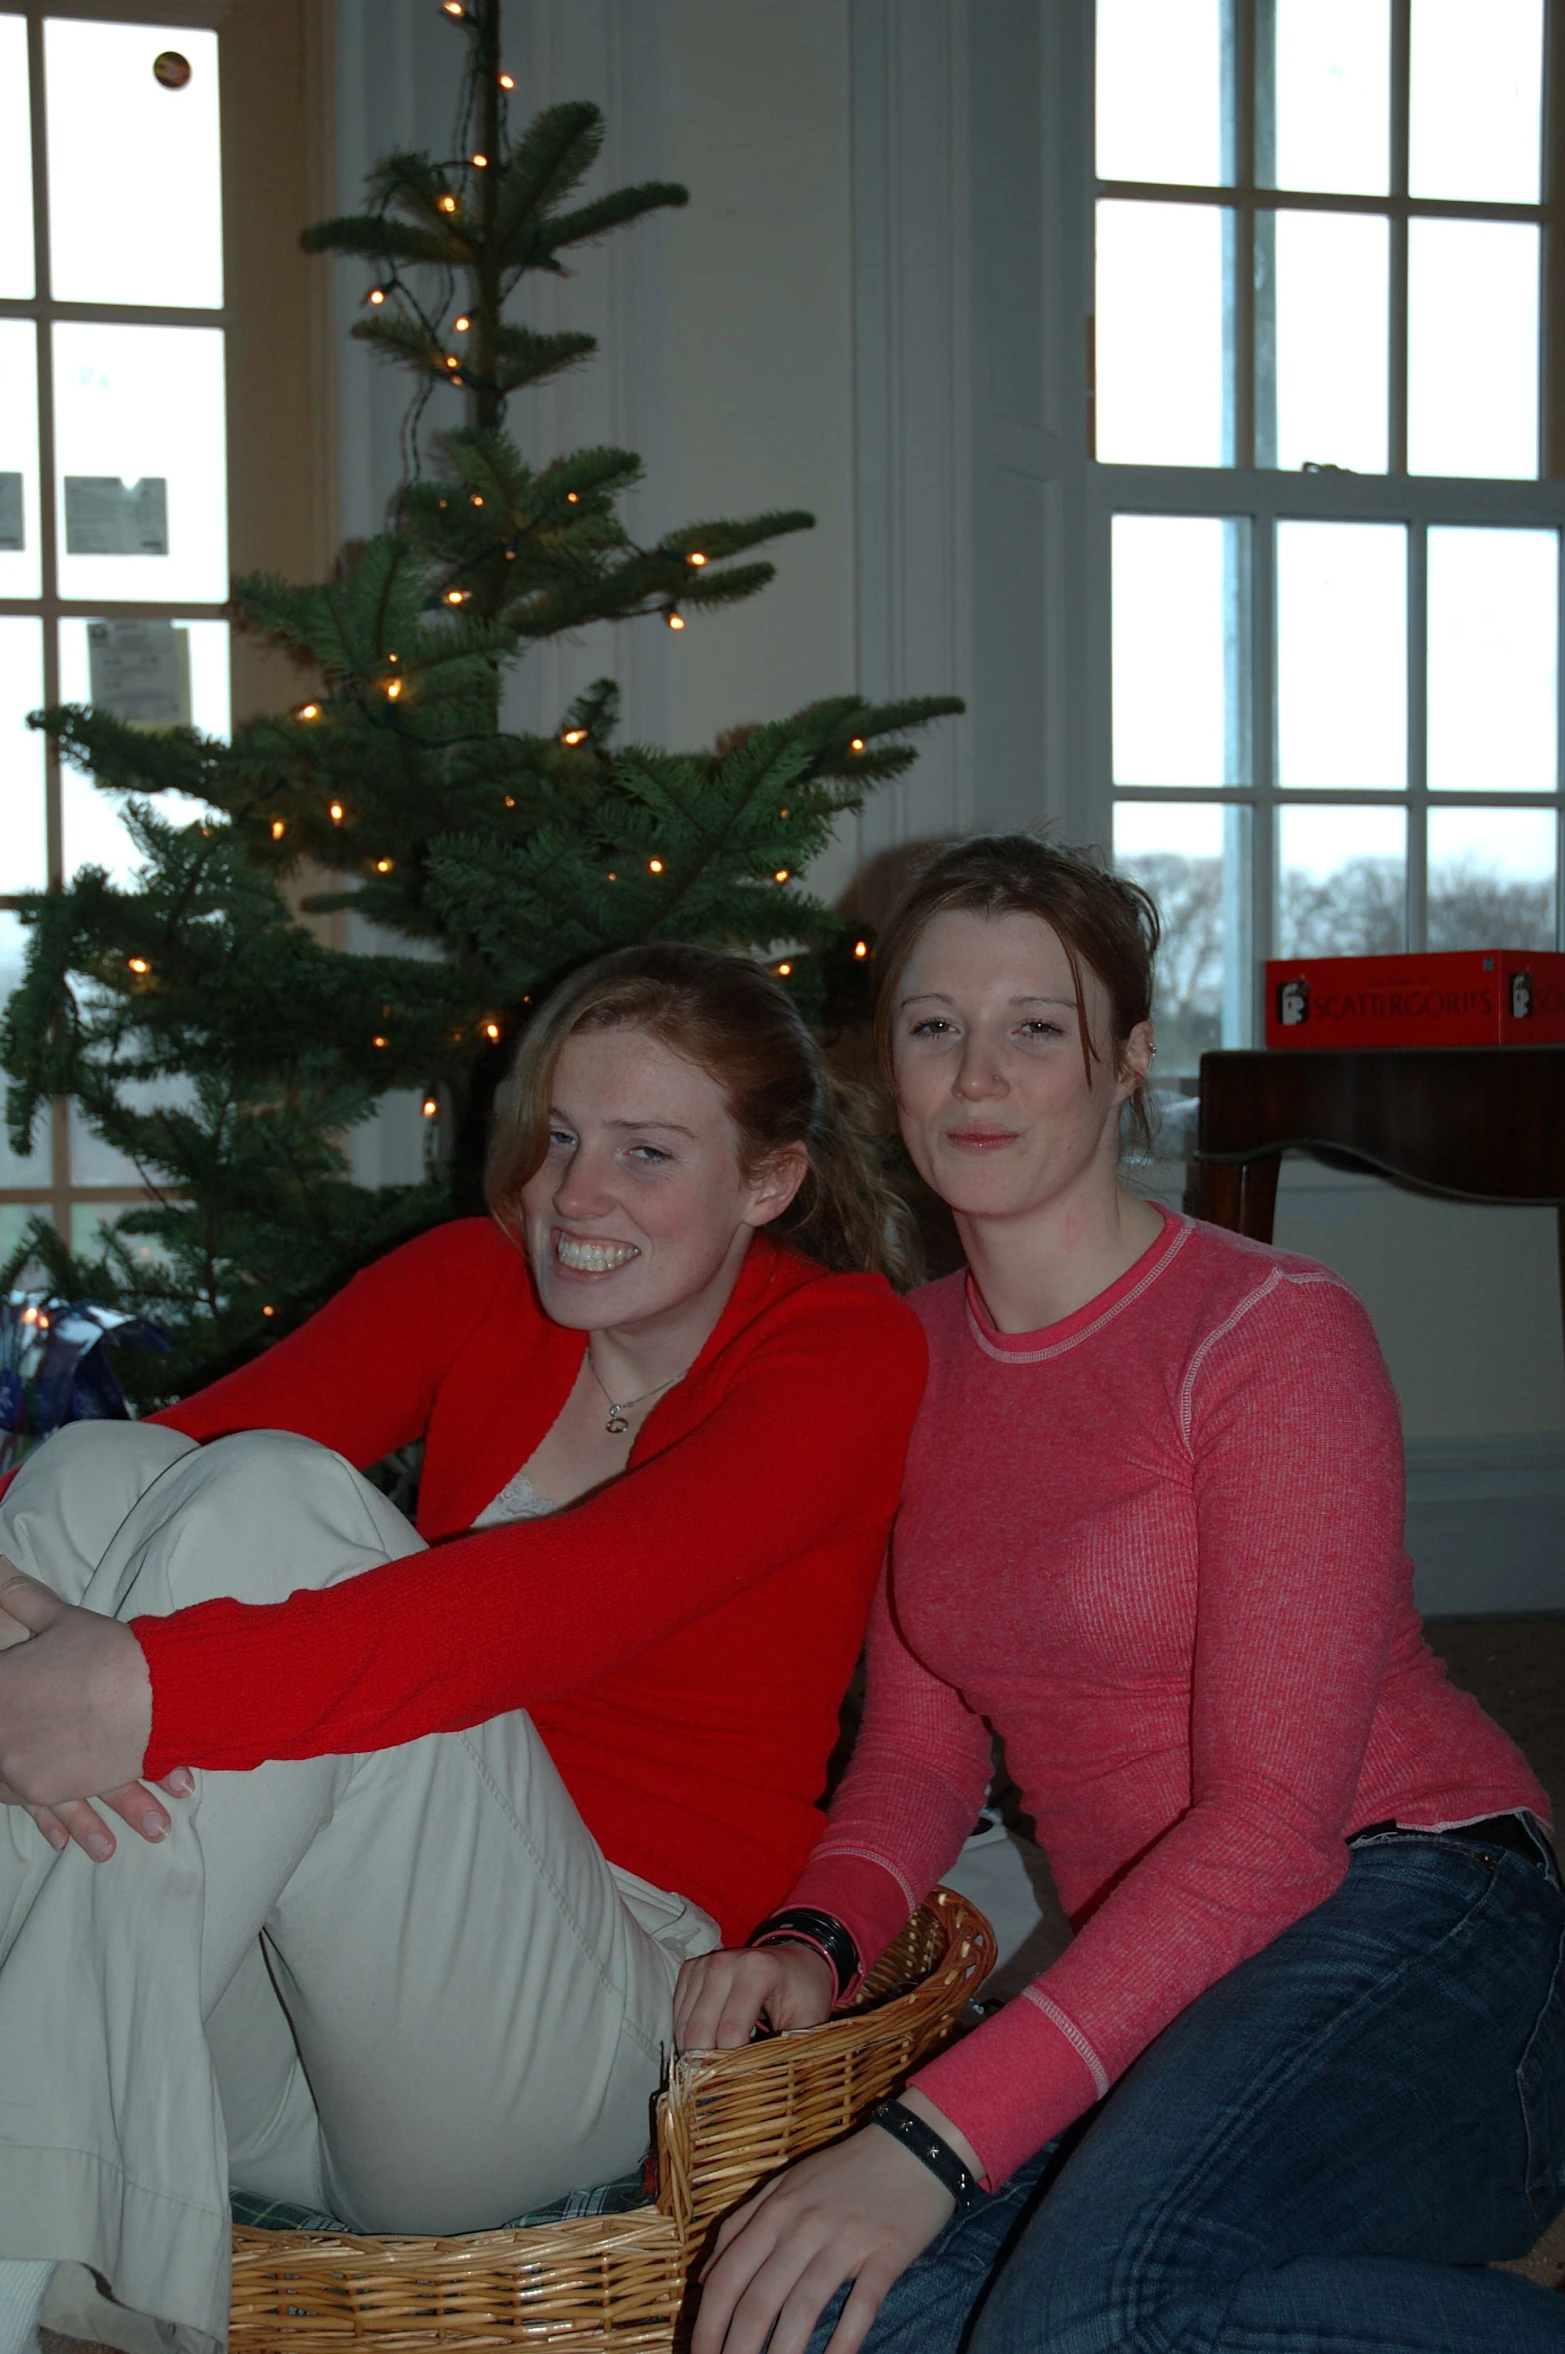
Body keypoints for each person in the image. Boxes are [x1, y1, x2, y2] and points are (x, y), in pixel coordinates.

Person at [677, 837, 1565, 2354]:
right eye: (933, 1023)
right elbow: (916, 1754)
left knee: (1082, 2311)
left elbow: (1274, 1828)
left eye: (1037, 1024)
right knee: (844, 2319)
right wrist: (813, 1939)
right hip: (1181, 1985)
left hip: (1424, 1917)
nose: (977, 1073)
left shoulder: (1270, 1332)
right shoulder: (905, 1357)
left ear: (1131, 1055)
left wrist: (931, 2139)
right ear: (884, 1056)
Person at [0, 942, 926, 2354]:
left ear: (770, 1181)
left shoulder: (845, 1350)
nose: (572, 1196)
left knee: (283, 1505)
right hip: (266, 2036)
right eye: (559, 1135)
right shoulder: (475, 1279)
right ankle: (76, 2215)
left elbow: (556, 1602)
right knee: (92, 1477)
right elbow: (156, 1468)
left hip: (572, 2026)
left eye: (646, 1151)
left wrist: (143, 1686)